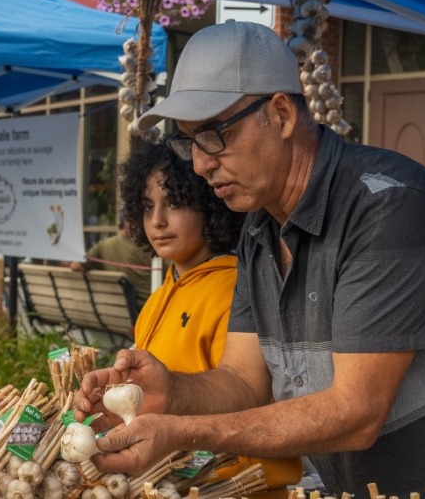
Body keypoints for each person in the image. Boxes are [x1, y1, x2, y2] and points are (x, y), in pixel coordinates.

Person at [74, 22, 425, 498]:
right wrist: (170, 393)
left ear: (282, 115)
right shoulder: (260, 229)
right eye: (188, 142)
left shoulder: (388, 206)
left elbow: (357, 411)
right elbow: (243, 379)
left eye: (212, 135)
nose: (200, 165)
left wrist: (184, 431)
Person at [120, 143, 300, 498]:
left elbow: (250, 399)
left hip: (238, 487)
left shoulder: (238, 289)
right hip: (172, 485)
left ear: (211, 204)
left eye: (175, 203)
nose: (157, 221)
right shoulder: (157, 299)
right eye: (147, 207)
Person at [70, 208, 154, 306]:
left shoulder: (104, 245)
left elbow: (75, 266)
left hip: (115, 309)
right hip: (144, 309)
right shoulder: (149, 248)